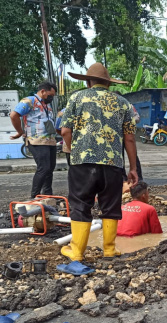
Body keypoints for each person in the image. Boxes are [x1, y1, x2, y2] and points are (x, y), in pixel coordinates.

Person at [59, 63, 138, 262]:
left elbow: (65, 131)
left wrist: (71, 149)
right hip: (113, 163)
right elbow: (129, 138)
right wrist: (133, 167)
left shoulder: (77, 98)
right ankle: (110, 250)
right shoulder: (122, 103)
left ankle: (77, 251)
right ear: (109, 83)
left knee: (80, 204)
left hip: (82, 163)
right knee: (111, 205)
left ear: (88, 81)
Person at [9, 81, 58, 198]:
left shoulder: (47, 105)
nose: (51, 98)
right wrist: (20, 131)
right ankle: (34, 196)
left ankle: (47, 195)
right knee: (44, 168)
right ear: (42, 91)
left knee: (50, 169)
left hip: (49, 141)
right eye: (50, 95)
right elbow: (14, 115)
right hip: (36, 140)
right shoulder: (29, 101)